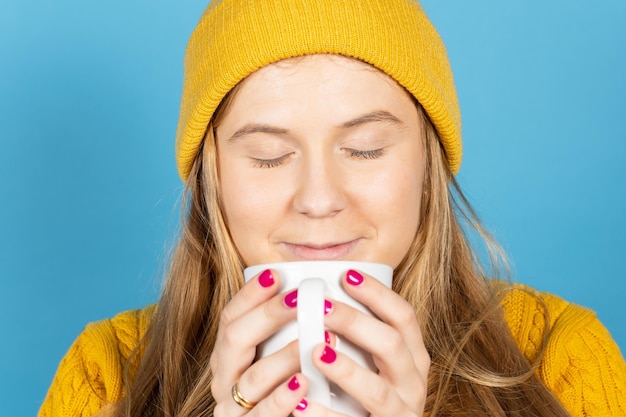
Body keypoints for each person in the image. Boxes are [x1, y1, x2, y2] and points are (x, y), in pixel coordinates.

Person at [39, 0, 626, 416]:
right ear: (210, 177)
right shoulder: (106, 374)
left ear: (429, 164)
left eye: (365, 149)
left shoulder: (559, 357)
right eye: (269, 156)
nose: (319, 200)